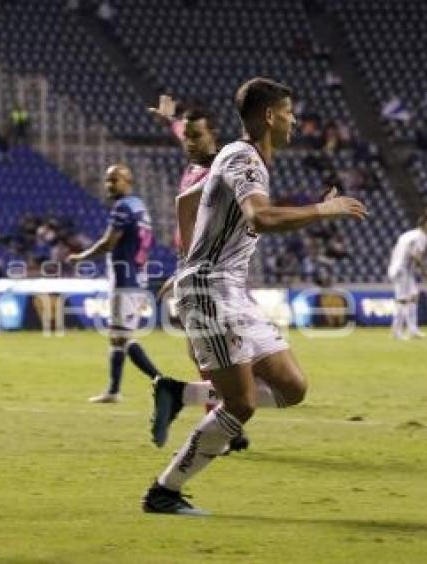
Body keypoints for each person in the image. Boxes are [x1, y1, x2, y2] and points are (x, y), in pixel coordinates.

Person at [142, 77, 367, 515]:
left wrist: (189, 256)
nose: (294, 119)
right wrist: (324, 210)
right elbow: (260, 217)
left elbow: (186, 203)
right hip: (210, 289)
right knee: (241, 403)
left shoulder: (241, 159)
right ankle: (164, 492)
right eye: (288, 111)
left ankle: (178, 392)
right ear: (269, 115)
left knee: (291, 386)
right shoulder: (244, 156)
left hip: (229, 290)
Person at [149, 96, 253, 451]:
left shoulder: (218, 172)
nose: (189, 141)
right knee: (203, 353)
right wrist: (170, 120)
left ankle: (223, 420)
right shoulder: (197, 161)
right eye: (187, 136)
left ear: (214, 137)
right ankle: (224, 422)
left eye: (196, 136)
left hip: (213, 273)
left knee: (222, 355)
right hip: (197, 271)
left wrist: (186, 272)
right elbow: (182, 129)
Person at [66, 164, 165, 403]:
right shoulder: (140, 207)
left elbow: (108, 243)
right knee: (117, 336)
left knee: (122, 337)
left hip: (125, 279)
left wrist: (80, 257)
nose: (109, 185)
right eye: (107, 180)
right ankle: (113, 391)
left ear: (127, 181)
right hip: (135, 277)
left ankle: (161, 382)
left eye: (114, 180)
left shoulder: (122, 207)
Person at [388, 215, 427, 339]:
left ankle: (412, 329)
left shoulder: (408, 234)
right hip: (403, 270)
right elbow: (416, 255)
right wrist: (425, 271)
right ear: (426, 225)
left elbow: (396, 249)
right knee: (403, 299)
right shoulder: (422, 236)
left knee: (413, 296)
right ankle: (396, 331)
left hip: (397, 267)